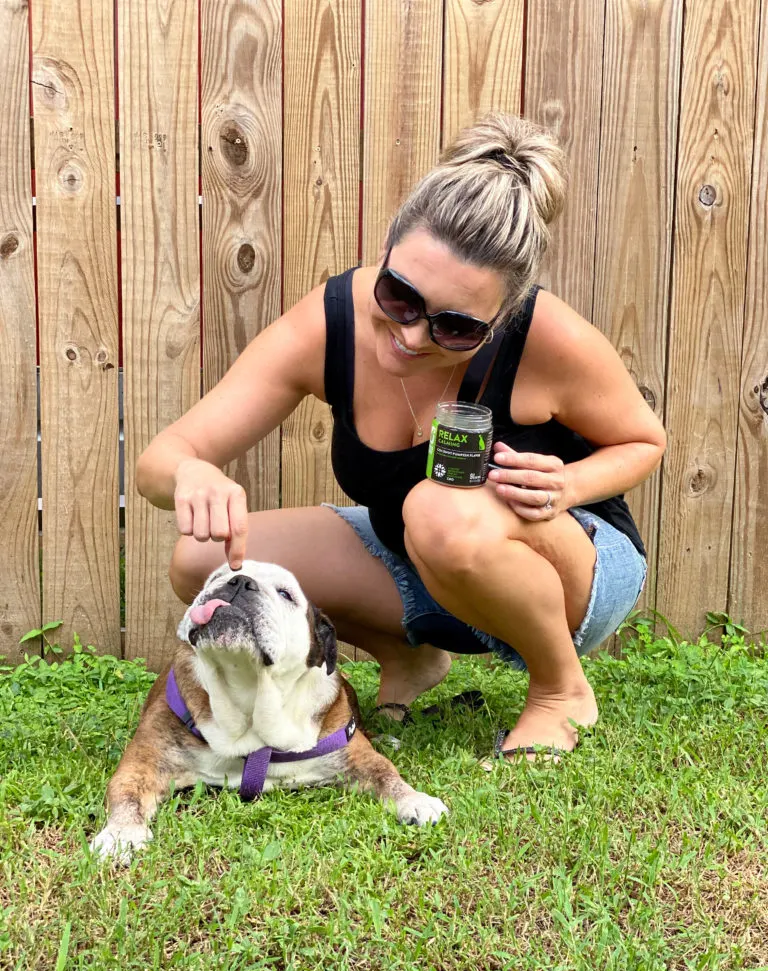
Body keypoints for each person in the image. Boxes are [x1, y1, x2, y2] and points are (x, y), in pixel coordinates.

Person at [136, 113, 666, 762]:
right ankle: (410, 658)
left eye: (456, 327)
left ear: (503, 317)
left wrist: (572, 483)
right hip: (423, 562)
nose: (411, 336)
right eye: (399, 295)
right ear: (384, 252)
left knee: (435, 507)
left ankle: (560, 688)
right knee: (203, 561)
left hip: (572, 569)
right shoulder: (328, 325)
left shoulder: (548, 339)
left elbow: (646, 440)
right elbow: (163, 457)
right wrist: (192, 473)